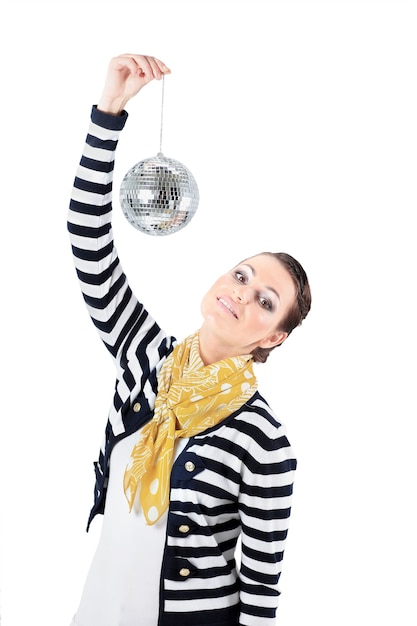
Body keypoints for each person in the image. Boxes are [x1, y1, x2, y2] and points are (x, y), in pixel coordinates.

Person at [68, 53, 312, 626]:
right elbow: (88, 241)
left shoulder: (266, 443)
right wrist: (108, 114)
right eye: (242, 275)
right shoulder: (146, 355)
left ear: (273, 338)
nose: (241, 294)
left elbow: (260, 587)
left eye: (266, 302)